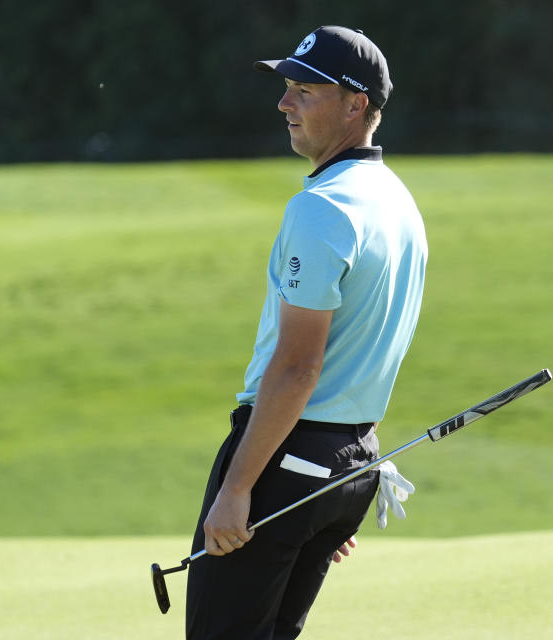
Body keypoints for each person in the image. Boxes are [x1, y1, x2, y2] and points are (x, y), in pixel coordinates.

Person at [185, 25, 428, 640]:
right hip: (350, 459)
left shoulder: (324, 207)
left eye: (305, 90)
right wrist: (331, 484)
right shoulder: (396, 200)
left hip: (286, 456)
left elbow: (298, 369)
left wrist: (239, 487)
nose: (284, 103)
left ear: (356, 105)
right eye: (287, 87)